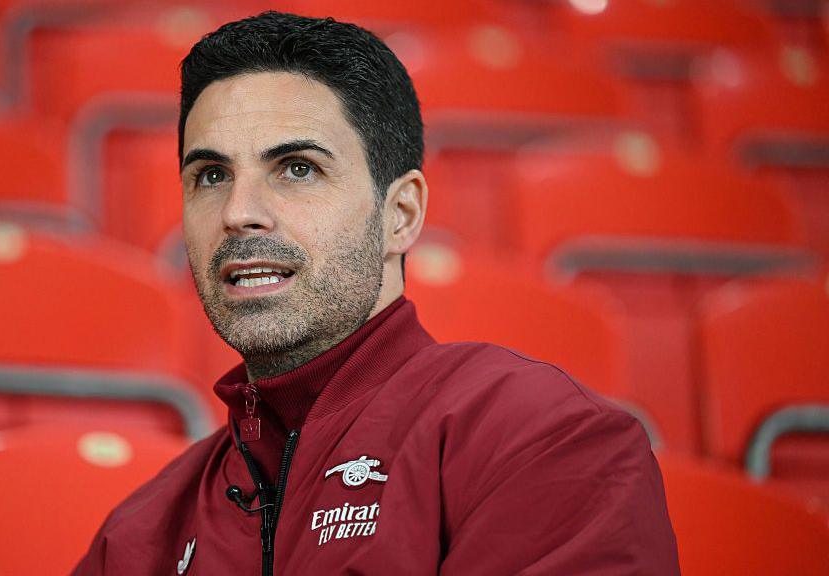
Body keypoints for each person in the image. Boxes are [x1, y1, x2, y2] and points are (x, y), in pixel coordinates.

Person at [72, 11, 680, 576]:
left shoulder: (540, 438)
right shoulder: (138, 535)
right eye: (211, 175)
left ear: (402, 213)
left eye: (298, 168)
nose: (239, 212)